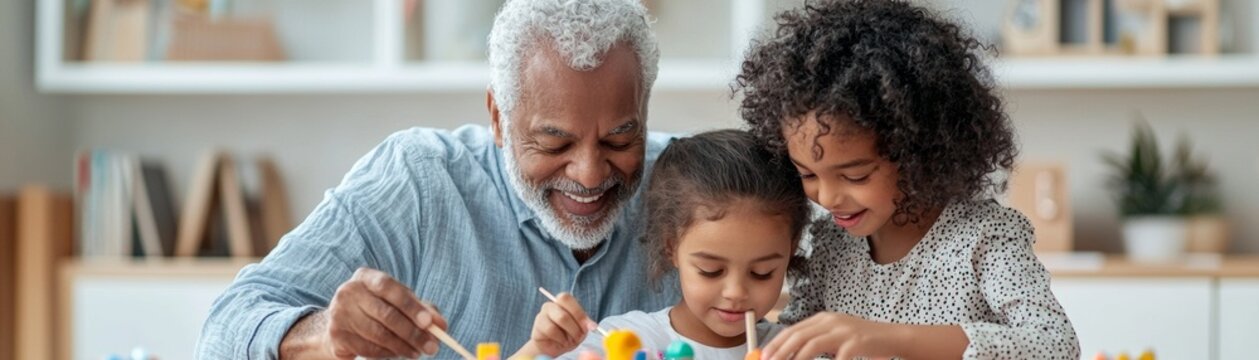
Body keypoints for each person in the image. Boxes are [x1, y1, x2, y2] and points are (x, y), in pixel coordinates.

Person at [194, 1, 681, 359]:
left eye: (620, 139)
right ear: (498, 117)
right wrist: (322, 335)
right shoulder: (420, 182)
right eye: (554, 144)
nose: (590, 173)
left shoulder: (690, 188)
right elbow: (223, 330)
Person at [734, 0, 1081, 359]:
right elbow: (798, 340)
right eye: (807, 174)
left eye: (855, 175)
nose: (828, 197)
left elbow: (1055, 345)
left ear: (920, 151)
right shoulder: (831, 246)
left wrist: (890, 338)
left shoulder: (983, 238)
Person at [513, 129, 811, 359]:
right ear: (671, 246)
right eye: (711, 270)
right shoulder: (624, 341)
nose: (735, 292)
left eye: (762, 273)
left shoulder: (798, 351)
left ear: (791, 249)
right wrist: (539, 349)